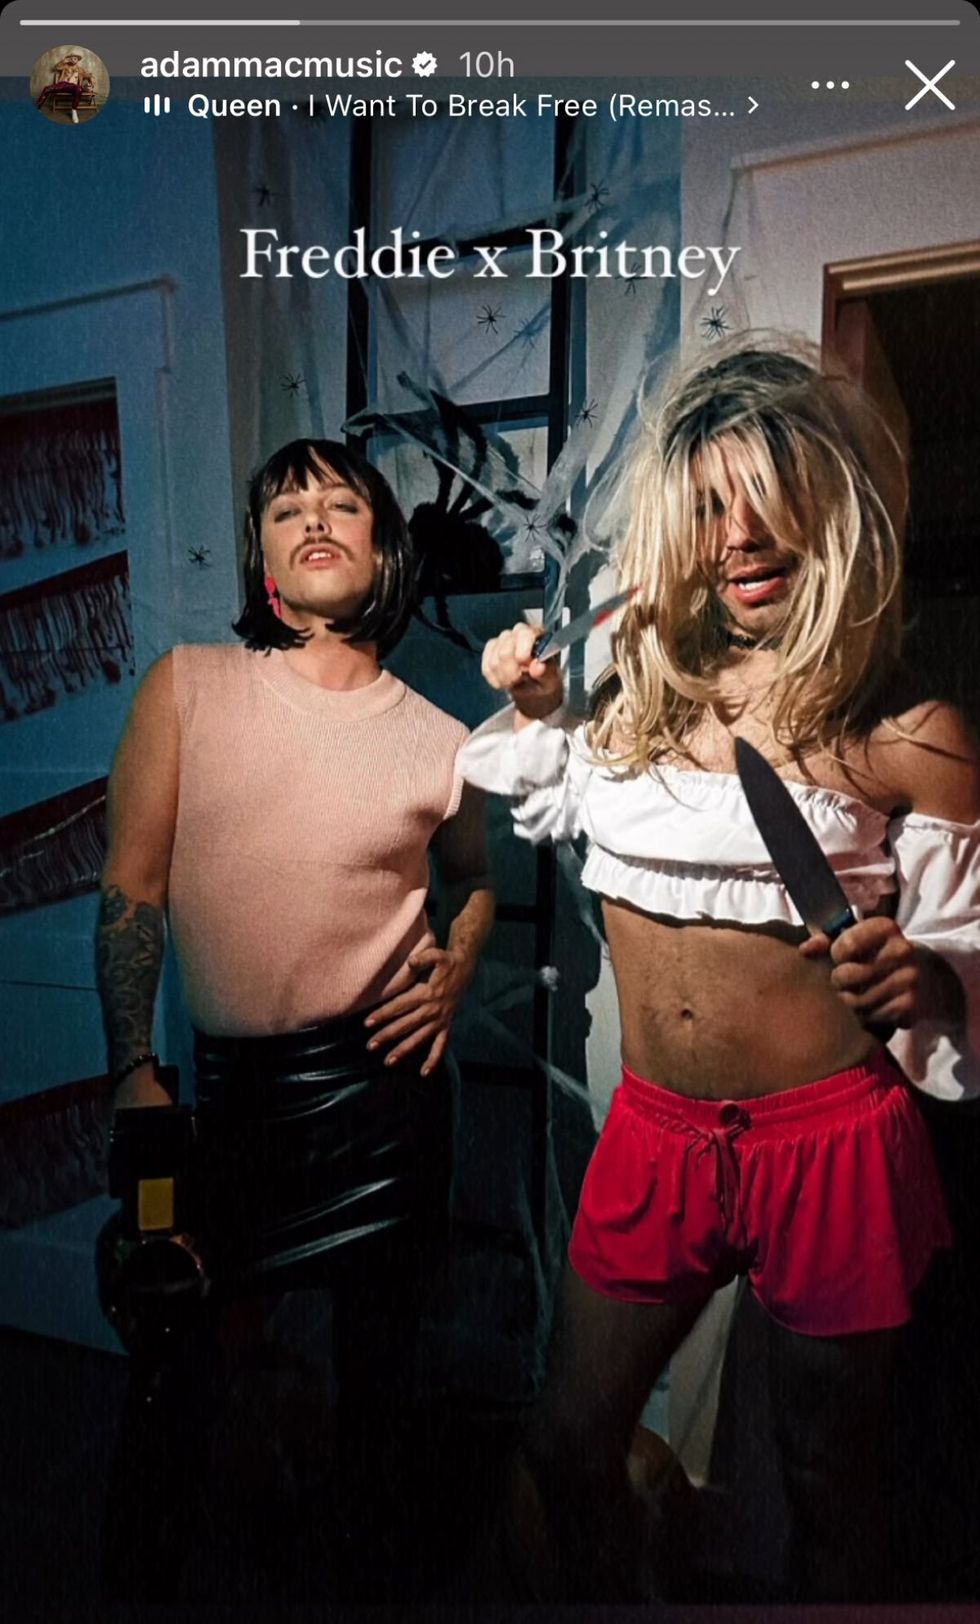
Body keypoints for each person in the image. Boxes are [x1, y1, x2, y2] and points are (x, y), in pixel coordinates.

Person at [459, 343, 980, 1602]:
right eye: (705, 506)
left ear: (827, 505)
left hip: (831, 1146)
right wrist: (534, 706)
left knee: (825, 1478)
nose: (737, 536)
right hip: (651, 1137)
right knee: (564, 1444)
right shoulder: (630, 710)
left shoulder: (908, 734)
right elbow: (539, 794)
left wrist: (922, 979)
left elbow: (966, 952)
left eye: (765, 495)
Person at [95, 437, 494, 1599]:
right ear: (264, 559)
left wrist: (459, 966)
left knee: (379, 1393)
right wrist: (131, 1066)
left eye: (339, 503)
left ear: (382, 547)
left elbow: (473, 879)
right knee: (176, 1373)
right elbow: (131, 888)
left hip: (387, 1102)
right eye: (284, 509)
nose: (312, 518)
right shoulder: (187, 688)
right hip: (232, 1102)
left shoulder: (443, 740)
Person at [36, 54, 93, 122]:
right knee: (47, 88)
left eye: (75, 59)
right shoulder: (65, 66)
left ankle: (74, 111)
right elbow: (56, 67)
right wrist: (64, 61)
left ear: (77, 60)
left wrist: (91, 79)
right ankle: (37, 108)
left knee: (79, 89)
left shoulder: (80, 69)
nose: (73, 60)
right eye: (71, 58)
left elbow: (87, 75)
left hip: (73, 87)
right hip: (62, 84)